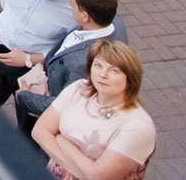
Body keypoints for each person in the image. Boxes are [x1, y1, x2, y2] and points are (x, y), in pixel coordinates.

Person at [32, 41, 156, 180]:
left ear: (131, 78)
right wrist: (83, 173)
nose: (103, 74)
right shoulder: (78, 89)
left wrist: (61, 139)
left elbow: (97, 176)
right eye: (98, 65)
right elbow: (39, 131)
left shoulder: (137, 125)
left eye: (114, 70)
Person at [14, 0, 127, 136]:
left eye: (72, 6)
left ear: (85, 16)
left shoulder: (84, 62)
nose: (70, 8)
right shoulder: (110, 20)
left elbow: (65, 105)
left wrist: (25, 96)